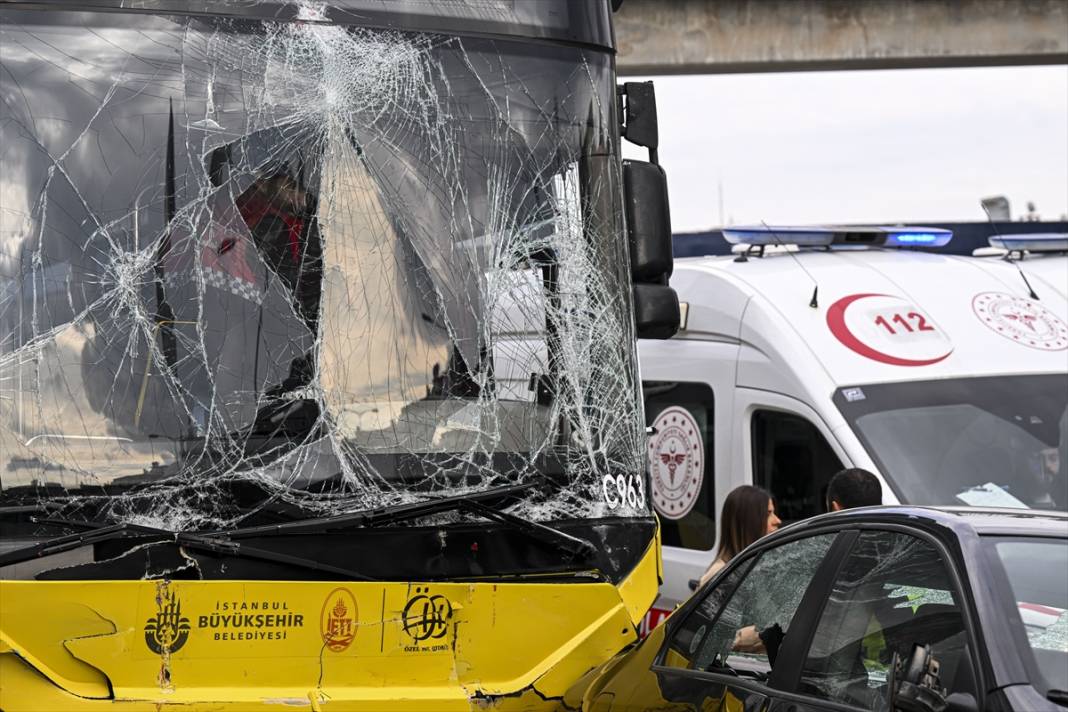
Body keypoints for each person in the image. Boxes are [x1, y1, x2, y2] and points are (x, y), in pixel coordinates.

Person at [698, 485, 780, 588]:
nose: (777, 521)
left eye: (773, 513)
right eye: (767, 514)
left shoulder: (760, 562)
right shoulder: (719, 575)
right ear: (747, 523)